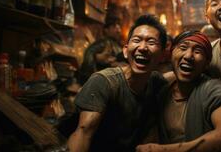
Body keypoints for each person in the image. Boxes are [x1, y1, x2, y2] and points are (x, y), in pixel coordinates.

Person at [67, 14, 168, 152]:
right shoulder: (104, 81)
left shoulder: (156, 82)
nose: (143, 47)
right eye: (137, 40)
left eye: (151, 42)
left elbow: (172, 77)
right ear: (125, 51)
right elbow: (83, 133)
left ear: (162, 55)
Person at [136, 31, 221, 152]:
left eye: (198, 52)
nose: (188, 56)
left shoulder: (214, 90)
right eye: (183, 48)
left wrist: (163, 150)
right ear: (171, 53)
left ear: (206, 63)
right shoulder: (163, 90)